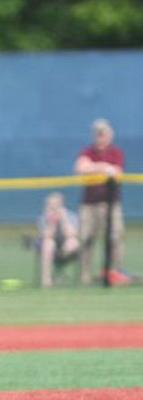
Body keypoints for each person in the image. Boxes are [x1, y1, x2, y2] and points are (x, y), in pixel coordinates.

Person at [73, 118, 125, 285]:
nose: (100, 137)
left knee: (114, 237)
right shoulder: (87, 152)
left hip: (110, 204)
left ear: (109, 135)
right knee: (85, 238)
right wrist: (103, 167)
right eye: (97, 134)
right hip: (89, 204)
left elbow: (116, 172)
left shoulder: (116, 153)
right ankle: (85, 276)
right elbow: (80, 168)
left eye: (103, 134)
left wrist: (94, 167)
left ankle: (113, 273)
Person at [34, 192, 80, 288]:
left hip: (66, 247)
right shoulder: (43, 217)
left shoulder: (71, 216)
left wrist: (63, 219)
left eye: (56, 205)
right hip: (51, 246)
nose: (54, 207)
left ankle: (61, 268)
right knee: (48, 244)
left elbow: (72, 234)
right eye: (50, 205)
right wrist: (51, 222)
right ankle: (46, 280)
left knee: (73, 242)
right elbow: (46, 235)